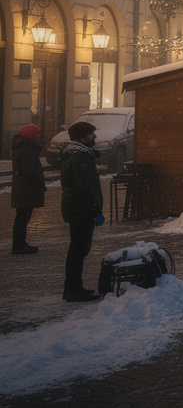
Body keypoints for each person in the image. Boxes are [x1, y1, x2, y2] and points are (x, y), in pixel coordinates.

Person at [59, 121, 103, 302]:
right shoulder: (80, 157)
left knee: (77, 249)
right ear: (83, 138)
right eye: (91, 134)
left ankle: (73, 287)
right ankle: (73, 289)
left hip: (76, 208)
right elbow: (84, 188)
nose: (94, 136)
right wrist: (96, 211)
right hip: (80, 210)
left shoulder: (77, 154)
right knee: (78, 250)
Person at [10, 124, 45, 255]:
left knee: (22, 217)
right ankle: (19, 245)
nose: (39, 136)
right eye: (37, 133)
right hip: (26, 189)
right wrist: (40, 179)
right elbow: (29, 170)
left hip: (23, 188)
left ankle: (20, 243)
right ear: (31, 135)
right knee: (22, 218)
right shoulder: (26, 149)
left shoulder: (22, 147)